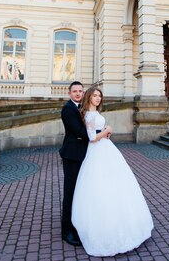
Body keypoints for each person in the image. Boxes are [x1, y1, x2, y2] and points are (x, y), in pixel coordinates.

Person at [71, 87, 154, 257]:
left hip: (106, 149)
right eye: (94, 95)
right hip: (97, 151)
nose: (98, 98)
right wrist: (107, 130)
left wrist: (105, 132)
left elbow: (96, 134)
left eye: (100, 96)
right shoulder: (89, 114)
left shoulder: (94, 113)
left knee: (116, 184)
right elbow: (92, 138)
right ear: (89, 97)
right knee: (102, 185)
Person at [59, 81, 111, 247]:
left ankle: (77, 224)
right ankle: (66, 230)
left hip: (84, 155)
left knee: (80, 192)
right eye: (74, 91)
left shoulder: (81, 108)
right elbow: (80, 132)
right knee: (70, 192)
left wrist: (100, 133)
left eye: (80, 91)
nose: (78, 93)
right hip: (72, 156)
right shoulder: (68, 109)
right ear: (69, 93)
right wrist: (103, 133)